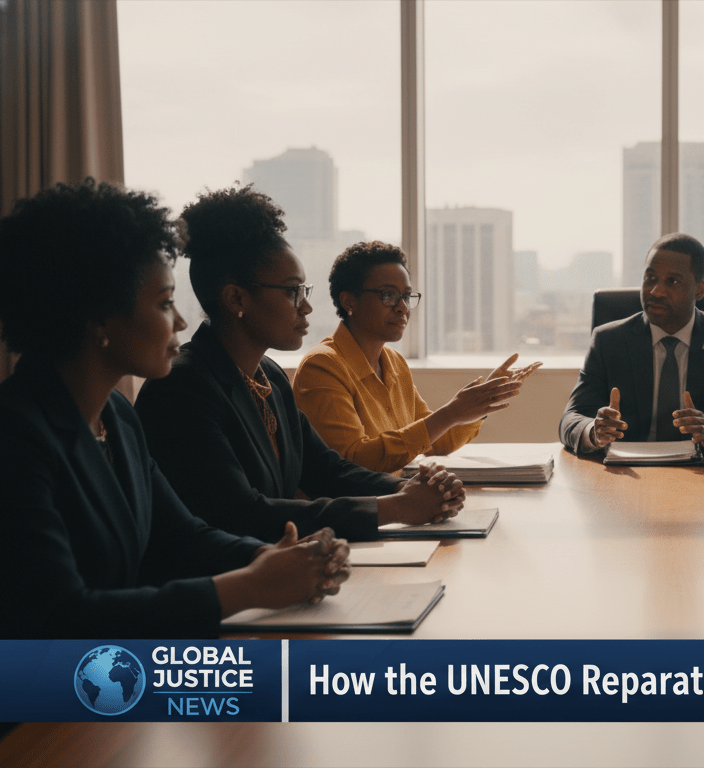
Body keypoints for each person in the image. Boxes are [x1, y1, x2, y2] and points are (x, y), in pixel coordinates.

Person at [0, 179, 350, 638]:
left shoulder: (117, 417)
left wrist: (264, 558)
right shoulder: (16, 435)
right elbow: (62, 615)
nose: (182, 321)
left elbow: (182, 537)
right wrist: (249, 587)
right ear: (99, 318)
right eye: (165, 303)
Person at [136, 185, 463, 544]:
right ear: (236, 298)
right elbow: (243, 514)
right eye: (293, 291)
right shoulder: (182, 388)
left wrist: (411, 487)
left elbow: (327, 470)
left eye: (304, 291)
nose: (305, 307)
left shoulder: (270, 377)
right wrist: (395, 508)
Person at [293, 241, 538, 474]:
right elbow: (353, 461)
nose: (402, 307)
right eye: (388, 295)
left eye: (406, 296)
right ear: (349, 301)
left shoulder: (394, 363)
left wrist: (482, 402)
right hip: (353, 512)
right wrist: (451, 412)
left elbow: (435, 442)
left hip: (395, 500)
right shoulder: (322, 367)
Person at [559, 232, 704, 454]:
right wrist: (593, 431)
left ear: (699, 289)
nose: (656, 291)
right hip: (630, 472)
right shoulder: (609, 341)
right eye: (650, 278)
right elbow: (571, 418)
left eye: (672, 281)